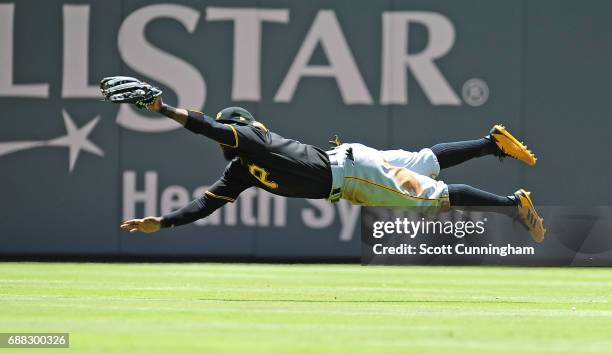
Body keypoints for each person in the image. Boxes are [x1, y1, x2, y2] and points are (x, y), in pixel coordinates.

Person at [104, 77, 545, 242]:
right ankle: (491, 143)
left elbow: (208, 127)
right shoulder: (242, 170)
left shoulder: (253, 140)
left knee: (433, 198)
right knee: (425, 160)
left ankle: (513, 206)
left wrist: (163, 109)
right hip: (350, 157)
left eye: (230, 132)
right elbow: (207, 204)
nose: (227, 140)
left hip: (350, 175)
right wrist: (162, 223)